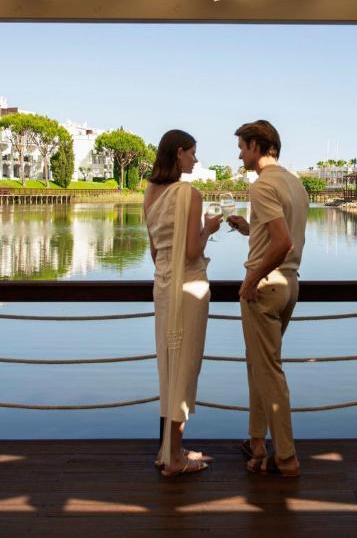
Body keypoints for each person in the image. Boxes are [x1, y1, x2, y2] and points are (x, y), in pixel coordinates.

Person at [226, 120, 309, 477]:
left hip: (265, 288)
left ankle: (286, 457)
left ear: (257, 146)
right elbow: (281, 234)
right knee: (260, 364)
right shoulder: (294, 183)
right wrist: (250, 229)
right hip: (290, 285)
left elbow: (282, 243)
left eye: (242, 147)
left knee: (269, 371)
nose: (239, 155)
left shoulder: (261, 185)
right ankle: (257, 442)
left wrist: (250, 280)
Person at [144, 130, 221, 477]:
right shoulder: (190, 194)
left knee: (169, 367)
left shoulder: (150, 193)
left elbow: (154, 251)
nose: (195, 159)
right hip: (189, 289)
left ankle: (170, 448)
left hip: (163, 287)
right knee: (186, 368)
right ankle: (174, 459)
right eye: (192, 153)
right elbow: (192, 250)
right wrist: (209, 229)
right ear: (178, 153)